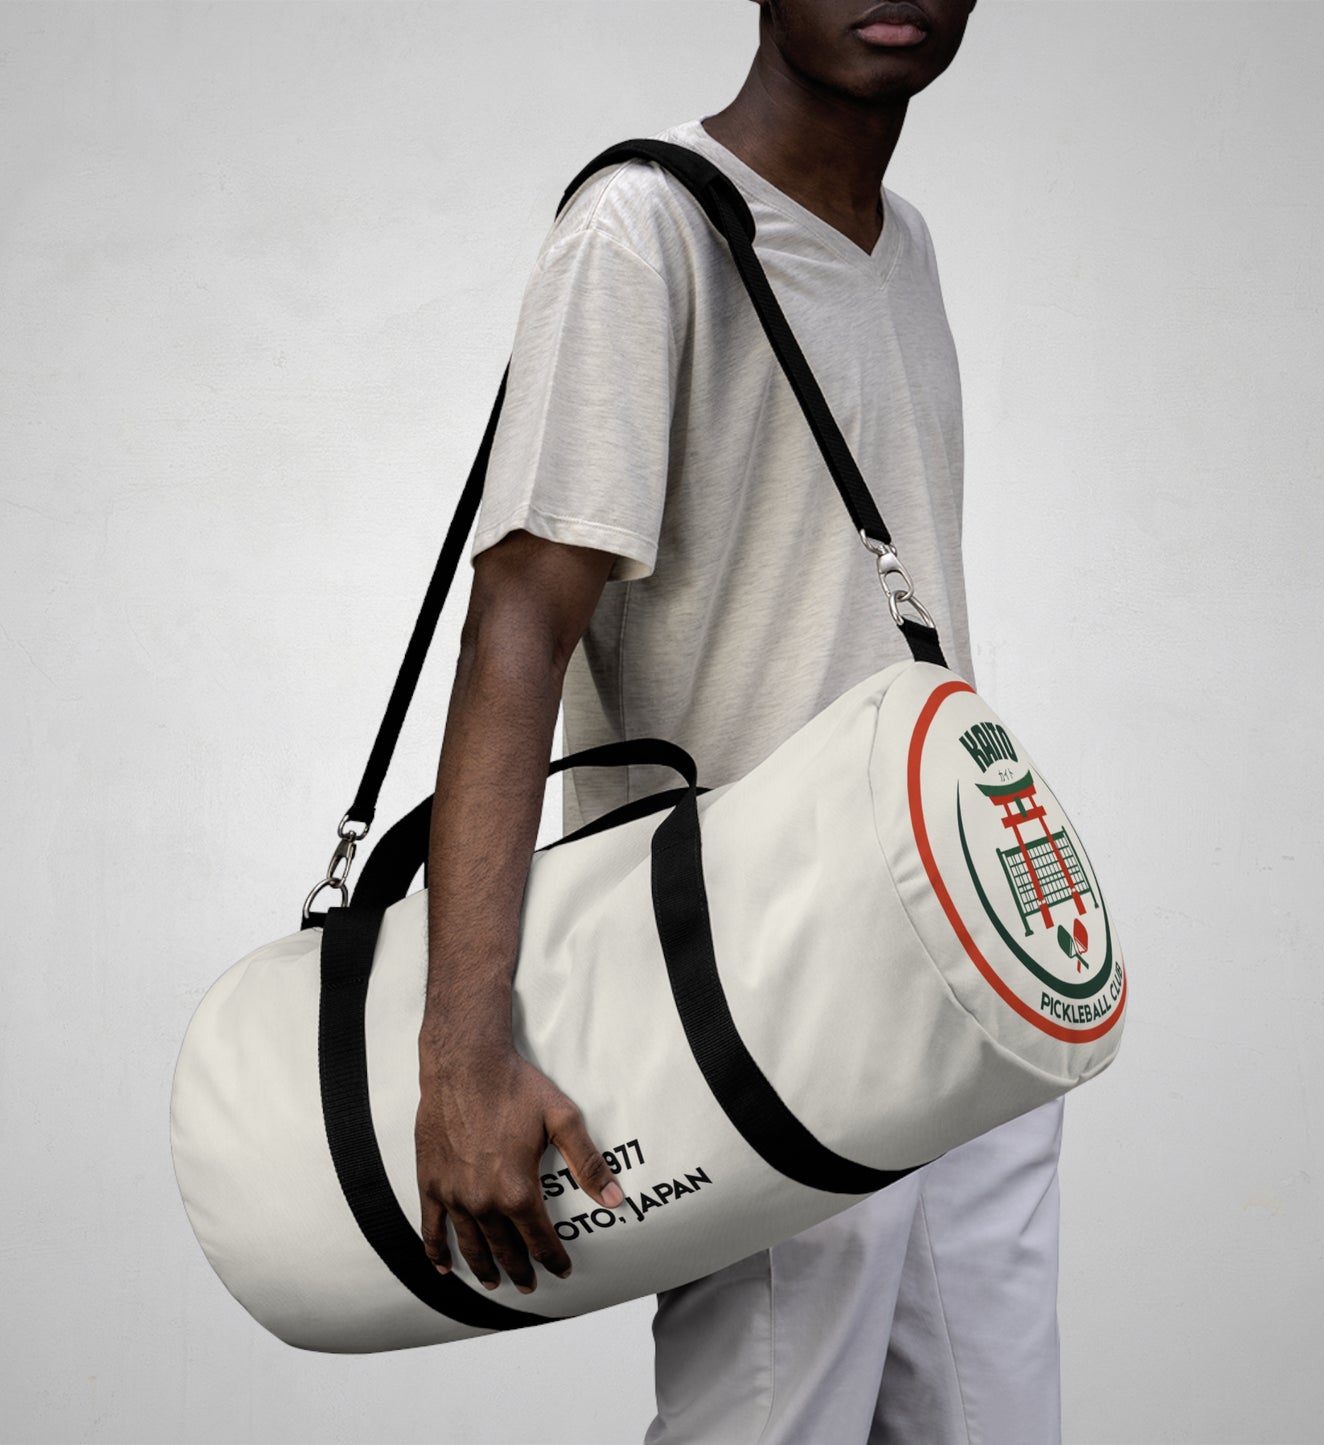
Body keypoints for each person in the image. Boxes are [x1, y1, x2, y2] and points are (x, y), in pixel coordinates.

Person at [415, 0, 1066, 1440]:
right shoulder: (643, 233)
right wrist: (462, 1047)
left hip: (961, 976)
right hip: (762, 993)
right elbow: (518, 619)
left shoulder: (906, 250)